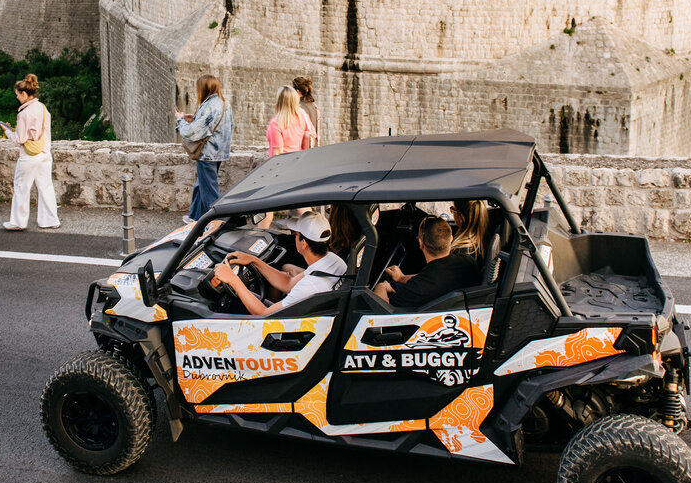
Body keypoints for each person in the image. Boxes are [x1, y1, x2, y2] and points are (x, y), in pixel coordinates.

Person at [212, 212, 346, 316]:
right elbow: (288, 284)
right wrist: (254, 260)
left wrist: (233, 280)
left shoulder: (308, 287)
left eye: (295, 234)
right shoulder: (333, 261)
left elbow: (263, 313)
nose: (294, 237)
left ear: (304, 243)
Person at [373, 216, 480, 309]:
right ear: (451, 239)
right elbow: (428, 278)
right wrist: (401, 278)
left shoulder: (418, 289)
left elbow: (381, 309)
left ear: (421, 243)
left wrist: (381, 286)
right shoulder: (468, 262)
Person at [2, 73, 59, 231]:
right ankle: (50, 220)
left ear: (24, 94)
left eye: (18, 94)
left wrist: (7, 131)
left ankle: (18, 222)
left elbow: (19, 138)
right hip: (44, 152)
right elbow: (46, 131)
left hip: (29, 155)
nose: (17, 97)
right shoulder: (42, 108)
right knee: (45, 187)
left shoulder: (24, 113)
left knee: (22, 186)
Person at [175, 74, 234, 222]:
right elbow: (227, 126)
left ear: (204, 88)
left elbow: (191, 133)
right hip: (219, 152)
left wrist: (180, 120)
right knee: (201, 185)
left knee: (209, 191)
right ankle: (195, 217)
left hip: (207, 153)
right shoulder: (224, 103)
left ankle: (220, 222)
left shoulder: (209, 106)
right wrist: (194, 119)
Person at [266, 85, 314, 157]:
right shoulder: (303, 116)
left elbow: (277, 153)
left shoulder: (276, 123)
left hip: (284, 162)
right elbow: (312, 134)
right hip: (298, 160)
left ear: (279, 101)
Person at [451, 199, 490, 264]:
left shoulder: (461, 251)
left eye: (452, 210)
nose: (452, 213)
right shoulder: (478, 243)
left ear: (461, 217)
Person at [292, 76, 319, 145]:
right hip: (313, 145)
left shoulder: (298, 107)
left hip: (302, 146)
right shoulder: (314, 106)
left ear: (297, 91)